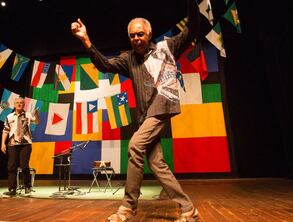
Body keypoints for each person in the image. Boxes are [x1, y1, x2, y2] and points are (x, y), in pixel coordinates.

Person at [71, 0, 200, 221]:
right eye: (132, 36)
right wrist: (86, 40)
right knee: (157, 164)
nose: (136, 39)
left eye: (140, 34)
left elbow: (192, 30)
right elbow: (104, 65)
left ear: (149, 34)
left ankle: (128, 207)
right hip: (144, 116)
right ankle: (188, 209)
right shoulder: (128, 59)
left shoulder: (166, 47)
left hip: (161, 107)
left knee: (134, 146)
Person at [1, 97, 40, 197]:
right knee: (11, 166)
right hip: (12, 144)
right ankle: (12, 189)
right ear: (14, 104)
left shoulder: (28, 115)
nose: (19, 104)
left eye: (21, 103)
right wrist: (2, 144)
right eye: (17, 103)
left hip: (25, 144)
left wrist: (36, 114)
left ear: (23, 105)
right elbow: (5, 130)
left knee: (24, 165)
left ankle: (27, 187)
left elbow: (36, 122)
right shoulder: (9, 116)